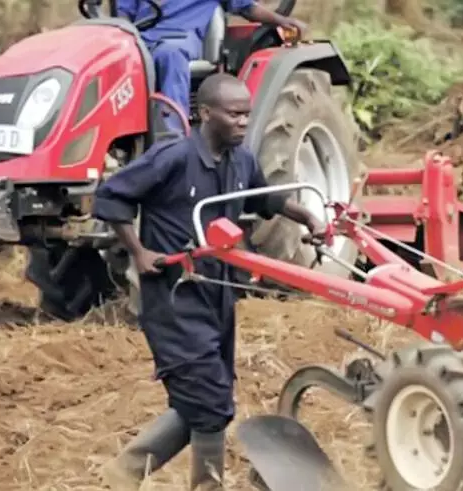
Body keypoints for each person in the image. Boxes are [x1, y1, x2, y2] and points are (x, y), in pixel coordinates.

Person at [94, 73, 325, 490]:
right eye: (234, 114)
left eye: (247, 115)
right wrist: (138, 250)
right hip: (174, 297)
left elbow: (261, 196)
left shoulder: (243, 160)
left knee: (205, 401)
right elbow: (111, 197)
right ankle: (204, 484)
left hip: (218, 294)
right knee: (212, 399)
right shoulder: (173, 158)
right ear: (205, 114)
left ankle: (125, 471)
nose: (243, 122)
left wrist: (304, 214)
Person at [116, 0, 308, 129]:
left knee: (170, 55)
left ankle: (172, 138)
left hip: (180, 37)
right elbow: (122, 13)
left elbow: (247, 7)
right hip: (140, 38)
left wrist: (282, 21)